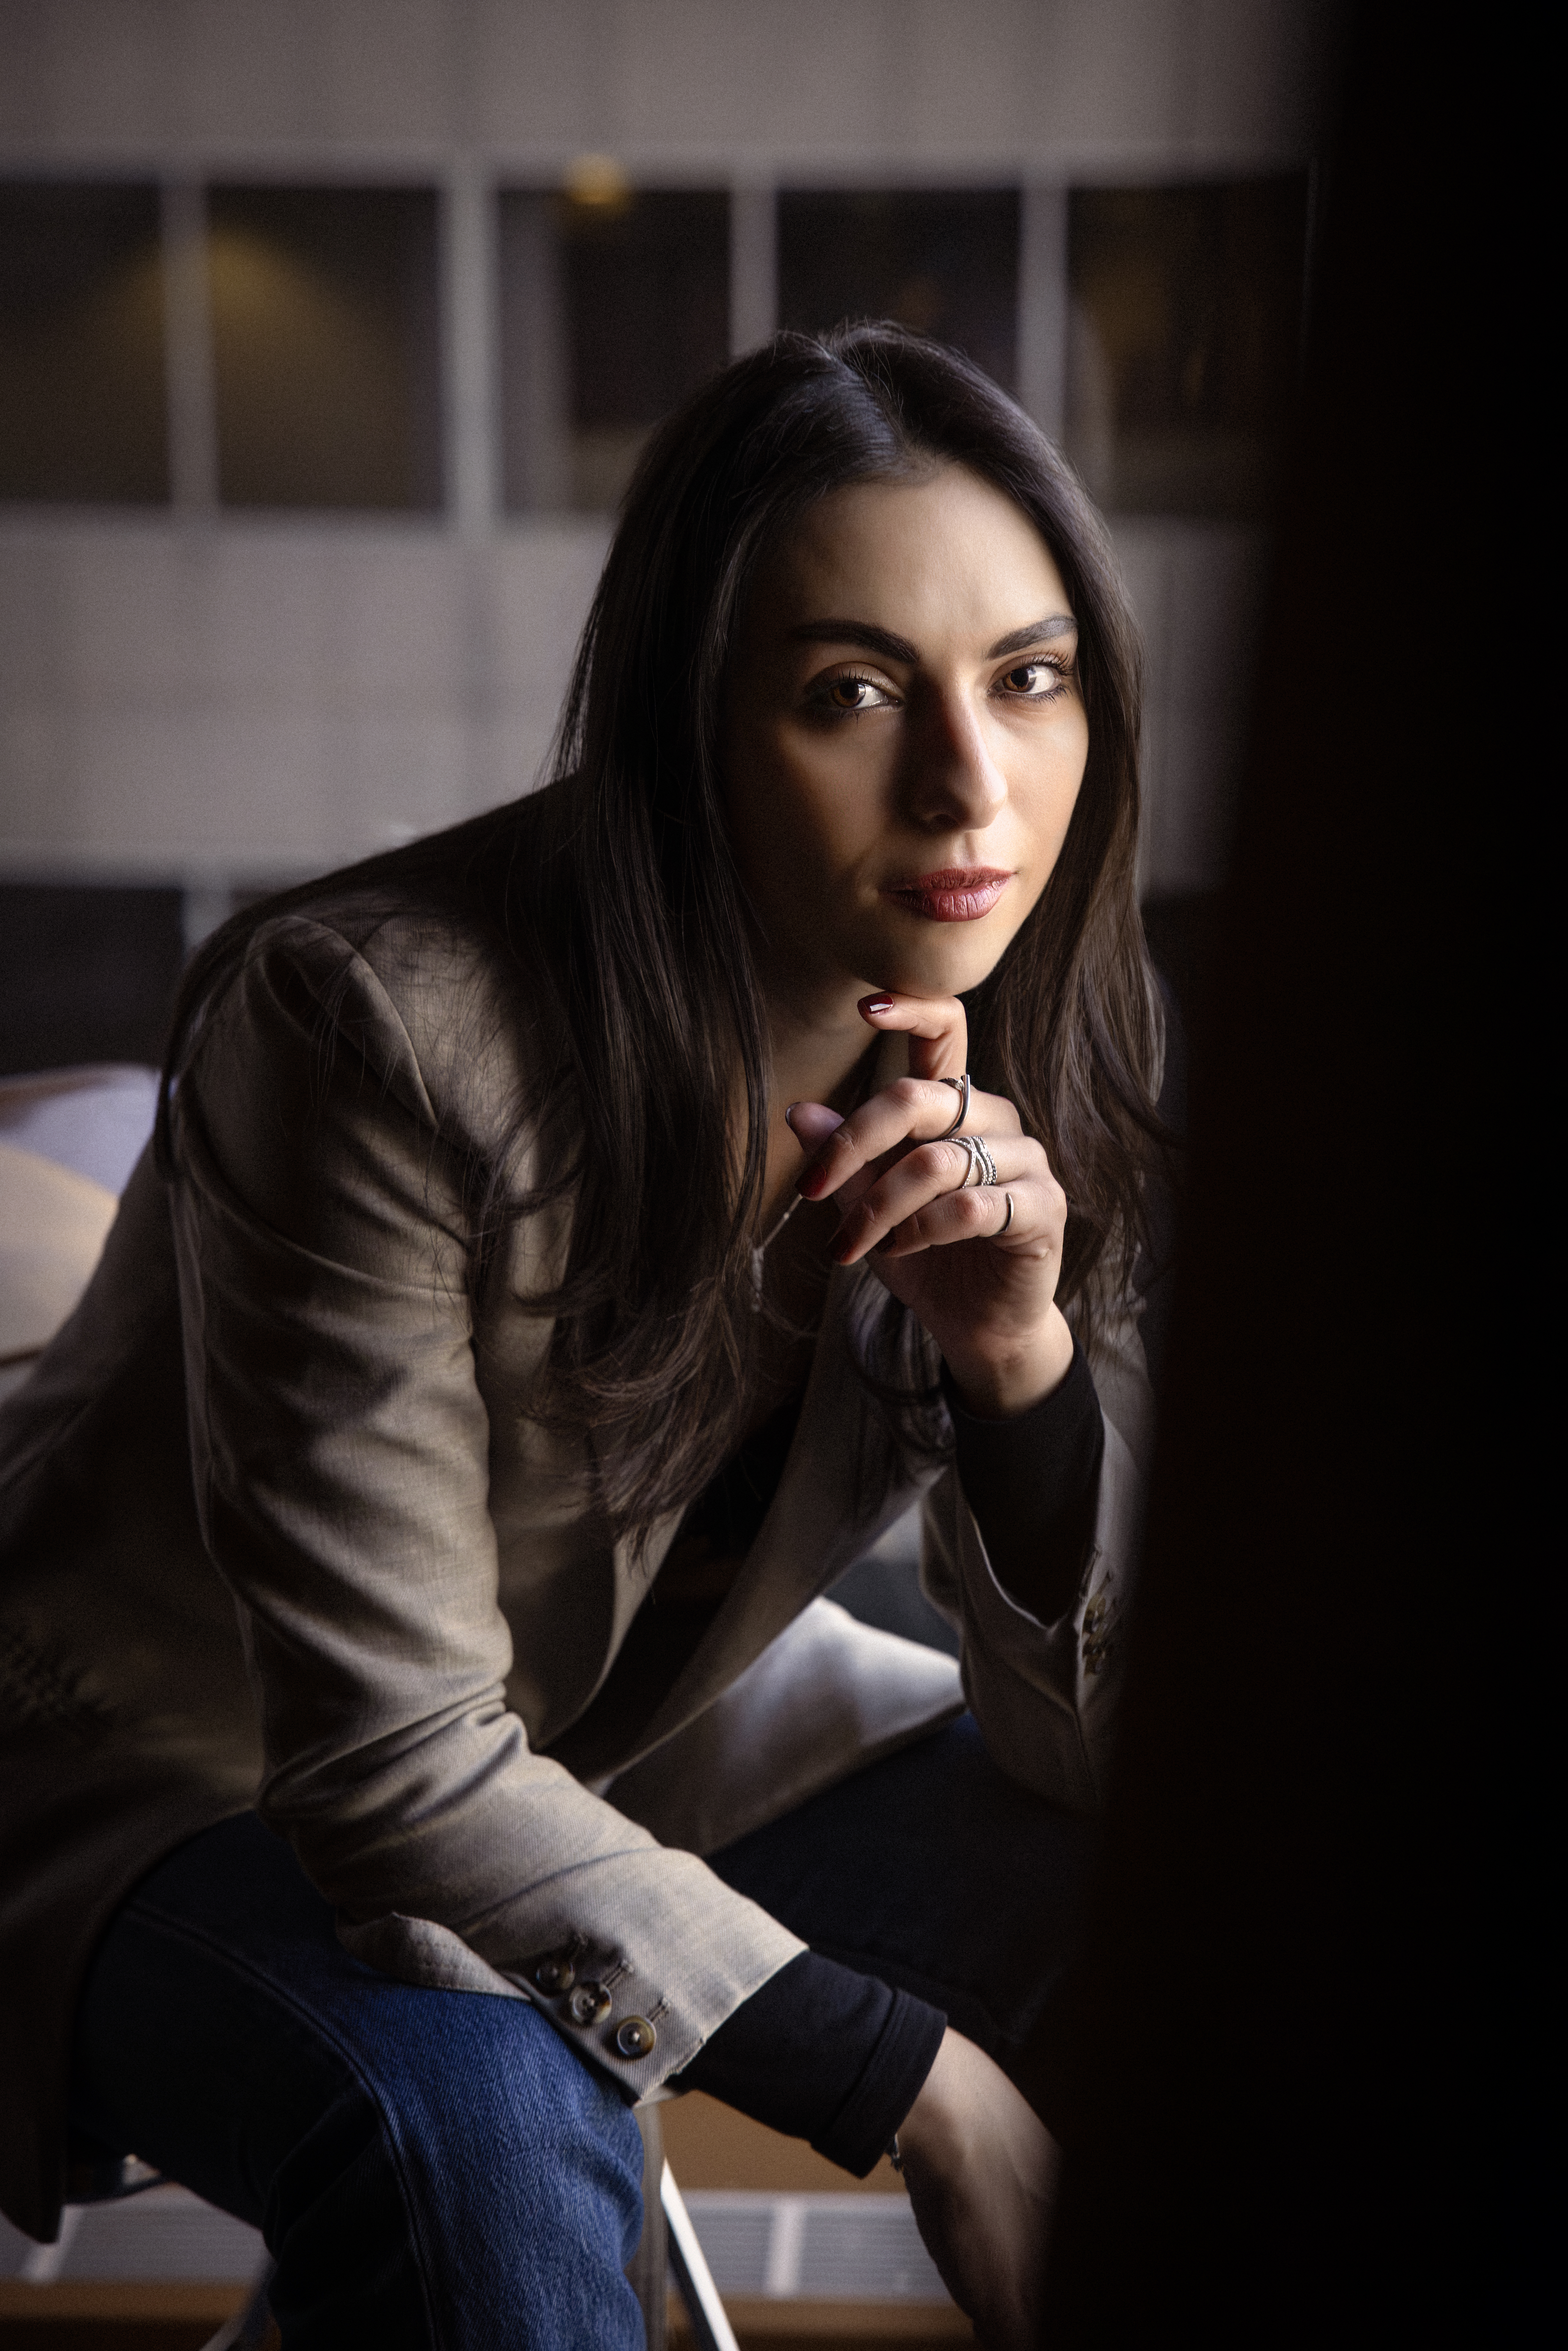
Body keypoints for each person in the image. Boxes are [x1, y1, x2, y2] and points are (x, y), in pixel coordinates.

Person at [0, 326, 1167, 2348]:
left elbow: (1085, 1744)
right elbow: (380, 1766)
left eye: (1029, 677)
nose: (970, 786)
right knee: (479, 2102)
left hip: (619, 1723)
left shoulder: (1030, 1029)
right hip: (170, 1762)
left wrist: (1015, 1370)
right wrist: (931, 2090)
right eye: (851, 693)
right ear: (689, 723)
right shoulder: (362, 1024)